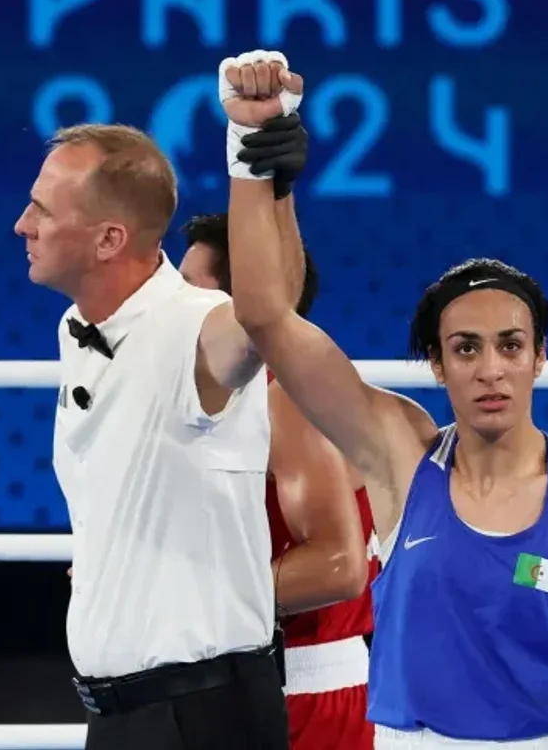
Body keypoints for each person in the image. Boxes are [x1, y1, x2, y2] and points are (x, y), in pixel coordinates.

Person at [218, 67, 548, 746]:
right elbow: (268, 316)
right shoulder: (400, 455)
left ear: (539, 357)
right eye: (466, 349)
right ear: (439, 364)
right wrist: (252, 148)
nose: (491, 369)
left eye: (510, 345)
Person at [15, 49, 307, 750]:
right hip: (128, 717)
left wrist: (255, 159)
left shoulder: (194, 326)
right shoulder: (80, 324)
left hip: (199, 717)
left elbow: (271, 315)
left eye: (41, 210)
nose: (22, 224)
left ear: (109, 238)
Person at [180, 211, 379, 750]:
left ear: (239, 309)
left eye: (186, 291)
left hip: (305, 695)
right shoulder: (232, 401)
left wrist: (170, 596)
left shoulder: (285, 400)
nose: (167, 311)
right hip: (243, 676)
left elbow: (339, 567)